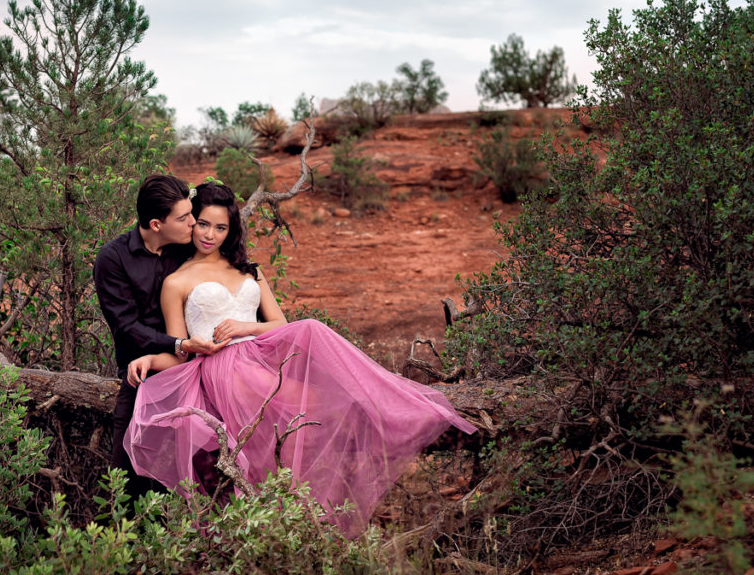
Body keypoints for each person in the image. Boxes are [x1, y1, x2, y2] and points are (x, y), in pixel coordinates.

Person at [125, 181, 477, 536]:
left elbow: (280, 323)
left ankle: (302, 507)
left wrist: (244, 327)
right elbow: (181, 348)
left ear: (231, 230)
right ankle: (289, 515)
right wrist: (152, 360)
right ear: (191, 221)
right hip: (222, 369)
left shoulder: (249, 270)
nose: (210, 235)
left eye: (221, 227)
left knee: (315, 391)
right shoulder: (176, 281)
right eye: (202, 223)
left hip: (258, 355)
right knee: (300, 420)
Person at [93, 174, 221, 493]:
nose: (193, 223)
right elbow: (127, 327)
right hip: (143, 377)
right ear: (155, 224)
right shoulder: (113, 259)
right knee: (126, 474)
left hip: (199, 372)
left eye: (192, 213)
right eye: (184, 218)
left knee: (204, 471)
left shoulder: (188, 249)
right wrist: (179, 344)